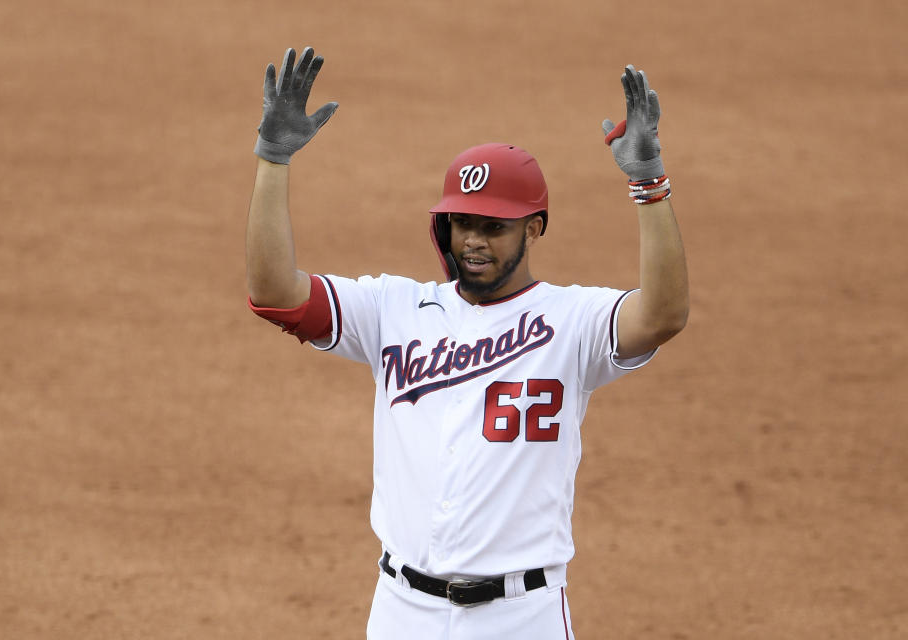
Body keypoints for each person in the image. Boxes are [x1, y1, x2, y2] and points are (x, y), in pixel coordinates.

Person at [246, 46, 688, 640]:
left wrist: (648, 185)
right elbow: (276, 292)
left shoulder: (572, 319)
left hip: (520, 615)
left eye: (494, 226)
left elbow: (662, 314)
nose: (474, 240)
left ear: (533, 228)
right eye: (463, 222)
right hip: (403, 610)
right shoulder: (391, 309)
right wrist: (274, 161)